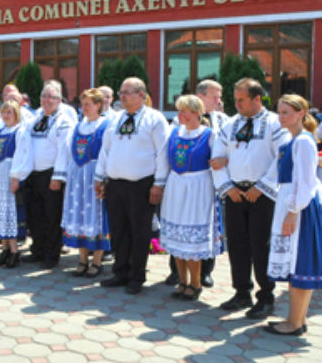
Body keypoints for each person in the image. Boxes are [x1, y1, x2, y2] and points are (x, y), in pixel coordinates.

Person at [211, 78, 289, 319]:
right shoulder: (230, 124)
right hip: (234, 193)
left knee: (260, 246)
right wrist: (227, 186)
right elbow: (217, 157)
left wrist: (263, 186)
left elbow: (282, 157)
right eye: (235, 99)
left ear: (257, 99)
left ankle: (266, 296)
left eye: (241, 99)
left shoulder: (276, 123)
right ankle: (241, 291)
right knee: (237, 245)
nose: (237, 104)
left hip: (261, 196)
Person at [95, 77, 169, 295]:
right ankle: (120, 272)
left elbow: (163, 153)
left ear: (141, 95)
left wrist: (159, 184)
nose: (122, 97)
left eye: (127, 92)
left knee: (139, 231)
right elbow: (105, 150)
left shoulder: (155, 119)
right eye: (121, 92)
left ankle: (137, 276)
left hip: (142, 184)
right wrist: (99, 177)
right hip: (116, 183)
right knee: (118, 230)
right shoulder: (115, 119)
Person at [264, 94, 322, 335]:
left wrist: (292, 212)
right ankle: (297, 319)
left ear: (300, 113)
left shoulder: (304, 142)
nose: (281, 116)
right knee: (295, 264)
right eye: (279, 111)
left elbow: (306, 182)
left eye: (286, 112)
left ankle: (295, 322)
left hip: (299, 208)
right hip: (293, 204)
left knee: (299, 263)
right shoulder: (292, 140)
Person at [157, 95, 224, 301]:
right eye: (179, 110)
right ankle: (182, 281)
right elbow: (163, 160)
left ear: (197, 113)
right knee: (177, 235)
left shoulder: (210, 135)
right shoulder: (174, 132)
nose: (180, 115)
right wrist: (159, 184)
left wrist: (222, 189)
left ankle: (195, 283)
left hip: (198, 187)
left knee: (192, 239)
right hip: (176, 186)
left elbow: (218, 164)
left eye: (184, 111)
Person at [61, 89, 111, 277]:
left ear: (98, 105)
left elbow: (107, 153)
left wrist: (103, 177)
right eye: (82, 104)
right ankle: (82, 259)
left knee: (96, 216)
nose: (84, 108)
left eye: (88, 104)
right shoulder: (77, 126)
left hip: (94, 175)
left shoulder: (105, 125)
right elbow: (68, 151)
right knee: (79, 215)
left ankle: (96, 261)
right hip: (77, 177)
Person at [25, 81, 74, 269]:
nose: (47, 100)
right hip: (33, 173)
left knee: (52, 216)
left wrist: (58, 177)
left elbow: (64, 150)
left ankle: (51, 255)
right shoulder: (36, 117)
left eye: (51, 97)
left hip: (51, 175)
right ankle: (37, 250)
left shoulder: (64, 121)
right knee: (35, 215)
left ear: (59, 100)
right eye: (44, 96)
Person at [0, 100, 32, 269]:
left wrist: (16, 177)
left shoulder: (20, 132)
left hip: (9, 174)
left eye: (9, 112)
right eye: (3, 112)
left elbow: (22, 155)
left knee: (10, 213)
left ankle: (14, 250)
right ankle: (4, 248)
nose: (6, 115)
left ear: (16, 114)